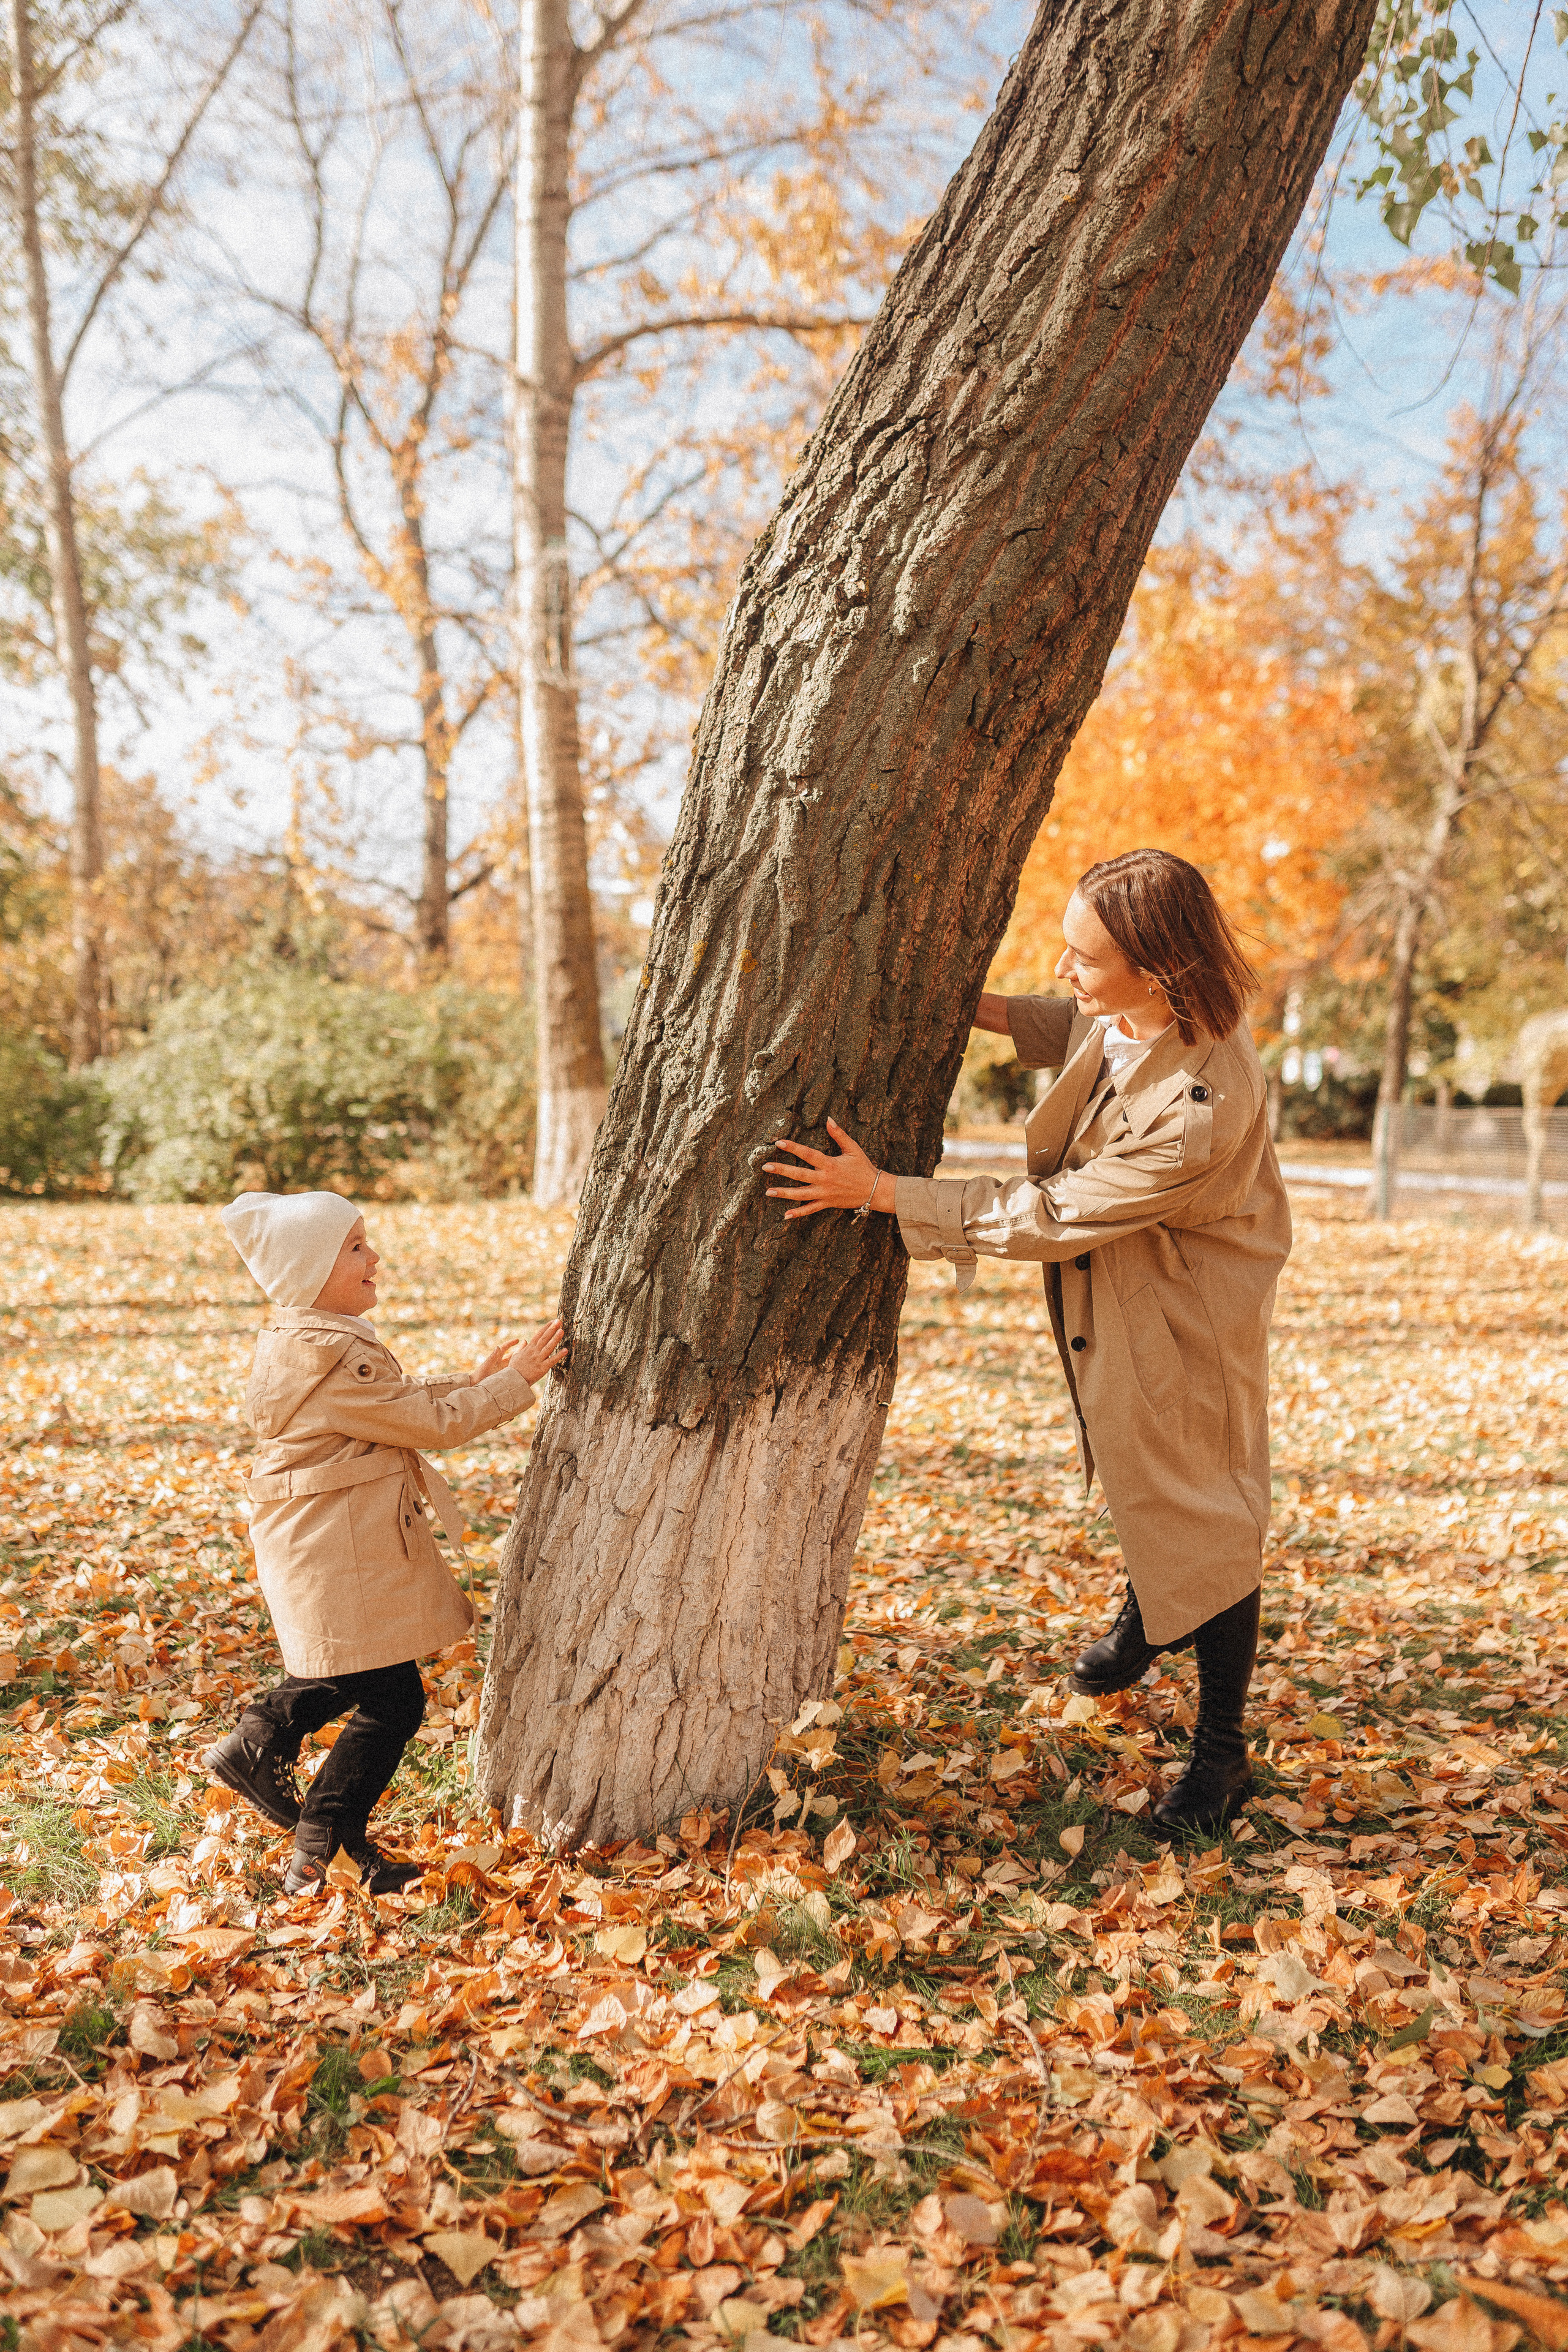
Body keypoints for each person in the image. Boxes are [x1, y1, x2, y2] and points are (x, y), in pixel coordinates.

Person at [763, 848, 1291, 1836]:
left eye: (1084, 957)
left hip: (1186, 1308)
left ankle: (1221, 1756)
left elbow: (1048, 1214)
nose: (1066, 971)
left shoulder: (1195, 1110)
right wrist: (973, 1006)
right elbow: (1077, 1030)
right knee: (1151, 1470)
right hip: (1128, 1277)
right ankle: (1147, 1607)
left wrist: (882, 1194)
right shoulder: (1139, 1011)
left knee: (1207, 1510)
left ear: (1160, 968)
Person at [206, 1191, 567, 1895]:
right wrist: (514, 1382)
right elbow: (429, 1423)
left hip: (328, 1541)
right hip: (332, 1548)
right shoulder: (332, 1358)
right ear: (311, 1272)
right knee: (391, 1697)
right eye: (356, 1249)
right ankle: (316, 1837)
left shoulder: (312, 1345)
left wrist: (480, 1380)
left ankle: (270, 1756)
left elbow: (397, 1409)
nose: (375, 1259)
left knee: (356, 1674)